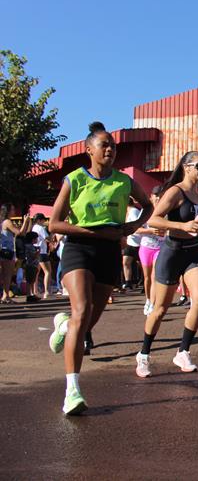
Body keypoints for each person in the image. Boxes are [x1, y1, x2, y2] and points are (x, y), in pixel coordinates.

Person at [47, 122, 152, 415]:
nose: (109, 149)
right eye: (104, 145)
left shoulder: (124, 181)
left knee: (85, 324)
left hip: (109, 252)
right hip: (79, 247)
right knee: (81, 310)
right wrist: (92, 233)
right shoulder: (74, 179)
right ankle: (72, 391)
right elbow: (54, 223)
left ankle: (64, 325)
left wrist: (133, 226)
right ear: (88, 149)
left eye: (113, 146)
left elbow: (148, 206)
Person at [135, 151, 198, 378]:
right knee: (160, 309)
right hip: (172, 251)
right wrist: (182, 227)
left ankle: (183, 351)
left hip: (195, 252)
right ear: (186, 167)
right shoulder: (175, 191)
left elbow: (197, 224)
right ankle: (143, 354)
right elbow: (153, 219)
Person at [137, 186, 164, 316]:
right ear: (151, 196)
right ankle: (148, 300)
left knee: (154, 277)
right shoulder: (145, 211)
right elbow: (136, 229)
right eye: (156, 195)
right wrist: (150, 231)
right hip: (146, 247)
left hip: (160, 247)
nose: (158, 197)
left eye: (160, 195)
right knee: (147, 278)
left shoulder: (166, 211)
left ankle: (153, 305)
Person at [1, 207, 31, 304]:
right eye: (13, 209)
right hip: (7, 251)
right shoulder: (7, 222)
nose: (14, 211)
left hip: (3, 250)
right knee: (7, 275)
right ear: (8, 211)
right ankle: (5, 296)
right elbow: (20, 233)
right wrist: (26, 221)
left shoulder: (3, 221)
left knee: (4, 275)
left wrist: (26, 223)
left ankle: (5, 295)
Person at [122, 199, 142, 290]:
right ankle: (128, 282)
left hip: (138, 242)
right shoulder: (127, 212)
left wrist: (130, 232)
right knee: (126, 262)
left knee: (141, 264)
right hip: (130, 242)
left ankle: (144, 280)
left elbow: (137, 227)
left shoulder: (134, 212)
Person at [31, 213, 53, 299]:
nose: (44, 221)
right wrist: (53, 233)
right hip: (42, 252)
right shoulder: (40, 228)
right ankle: (47, 291)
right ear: (39, 220)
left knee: (36, 272)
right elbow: (48, 239)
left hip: (35, 251)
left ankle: (35, 291)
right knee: (48, 271)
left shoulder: (34, 227)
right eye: (43, 220)